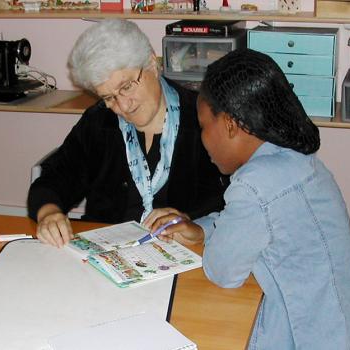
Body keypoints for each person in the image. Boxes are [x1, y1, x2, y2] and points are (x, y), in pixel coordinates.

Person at [152, 48, 350, 349]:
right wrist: (201, 229)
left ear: (230, 124)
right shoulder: (295, 156)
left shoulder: (254, 184)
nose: (202, 138)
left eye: (204, 126)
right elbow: (261, 222)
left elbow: (223, 272)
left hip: (316, 337)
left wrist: (211, 238)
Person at [27, 19, 227, 248]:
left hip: (184, 255)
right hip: (107, 255)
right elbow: (55, 177)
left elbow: (231, 202)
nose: (123, 105)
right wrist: (49, 212)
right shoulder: (100, 121)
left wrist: (199, 228)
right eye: (108, 97)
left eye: (127, 86)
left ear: (152, 63)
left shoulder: (202, 120)